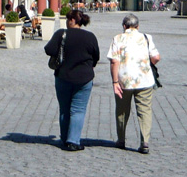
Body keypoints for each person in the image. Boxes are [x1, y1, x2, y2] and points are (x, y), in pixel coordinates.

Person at [43, 8, 100, 152]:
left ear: (72, 20)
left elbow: (48, 49)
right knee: (78, 110)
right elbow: (96, 56)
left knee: (64, 109)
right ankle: (73, 141)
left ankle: (64, 138)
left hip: (63, 76)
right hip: (84, 78)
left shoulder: (61, 34)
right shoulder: (90, 36)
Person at [107, 14, 160, 154]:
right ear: (138, 26)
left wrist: (114, 81)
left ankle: (121, 140)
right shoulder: (146, 37)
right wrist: (146, 66)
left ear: (124, 26)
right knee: (145, 110)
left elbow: (114, 61)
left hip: (124, 81)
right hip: (144, 80)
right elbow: (156, 57)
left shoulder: (118, 38)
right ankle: (145, 142)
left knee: (122, 111)